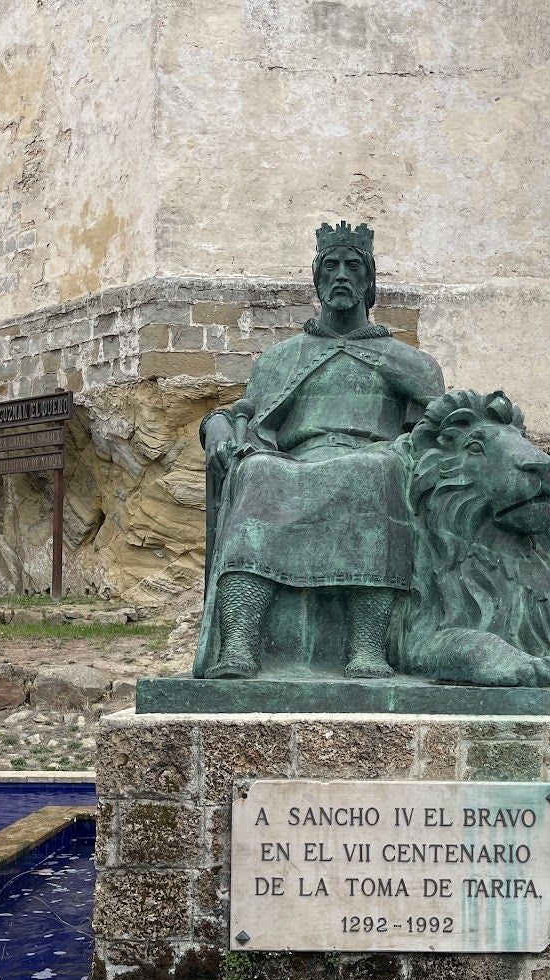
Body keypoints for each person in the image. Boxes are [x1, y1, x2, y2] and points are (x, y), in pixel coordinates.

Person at [195, 221, 444, 679]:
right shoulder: (280, 358)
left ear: (369, 280)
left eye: (353, 266)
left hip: (374, 458)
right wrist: (214, 427)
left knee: (374, 470)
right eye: (331, 266)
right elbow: (244, 415)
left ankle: (367, 649)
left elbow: (437, 430)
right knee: (258, 474)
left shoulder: (411, 361)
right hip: (295, 461)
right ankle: (240, 646)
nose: (342, 275)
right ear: (317, 278)